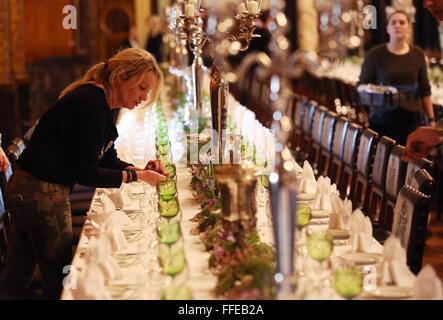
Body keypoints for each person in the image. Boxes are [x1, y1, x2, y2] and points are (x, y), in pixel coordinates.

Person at [0, 48, 167, 300]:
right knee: (62, 278)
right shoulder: (92, 103)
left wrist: (138, 170)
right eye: (142, 88)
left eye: (148, 91)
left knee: (17, 277)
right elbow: (87, 174)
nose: (144, 96)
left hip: (28, 187)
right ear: (121, 76)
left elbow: (104, 157)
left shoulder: (101, 101)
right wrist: (139, 178)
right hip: (40, 192)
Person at [358, 10, 436, 146]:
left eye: (402, 22)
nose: (397, 26)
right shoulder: (375, 55)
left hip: (411, 121)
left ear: (408, 27)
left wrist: (431, 120)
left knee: (409, 162)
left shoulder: (418, 54)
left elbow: (425, 90)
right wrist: (369, 88)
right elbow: (360, 86)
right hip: (382, 119)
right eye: (393, 22)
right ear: (387, 28)